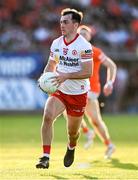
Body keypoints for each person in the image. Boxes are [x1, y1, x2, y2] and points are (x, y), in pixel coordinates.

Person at [36, 8, 93, 169]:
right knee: (47, 116)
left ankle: (71, 147)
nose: (62, 25)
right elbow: (51, 64)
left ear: (75, 25)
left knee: (73, 133)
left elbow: (88, 72)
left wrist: (67, 76)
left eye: (65, 22)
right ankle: (45, 157)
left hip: (78, 94)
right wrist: (45, 78)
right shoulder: (56, 43)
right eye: (61, 22)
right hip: (60, 89)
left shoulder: (84, 45)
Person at [77, 25, 117, 159]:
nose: (82, 35)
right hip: (78, 88)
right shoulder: (71, 50)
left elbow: (111, 65)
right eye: (80, 33)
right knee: (95, 120)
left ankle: (88, 132)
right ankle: (109, 144)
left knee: (69, 108)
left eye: (85, 34)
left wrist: (110, 82)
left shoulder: (94, 51)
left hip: (90, 89)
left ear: (89, 37)